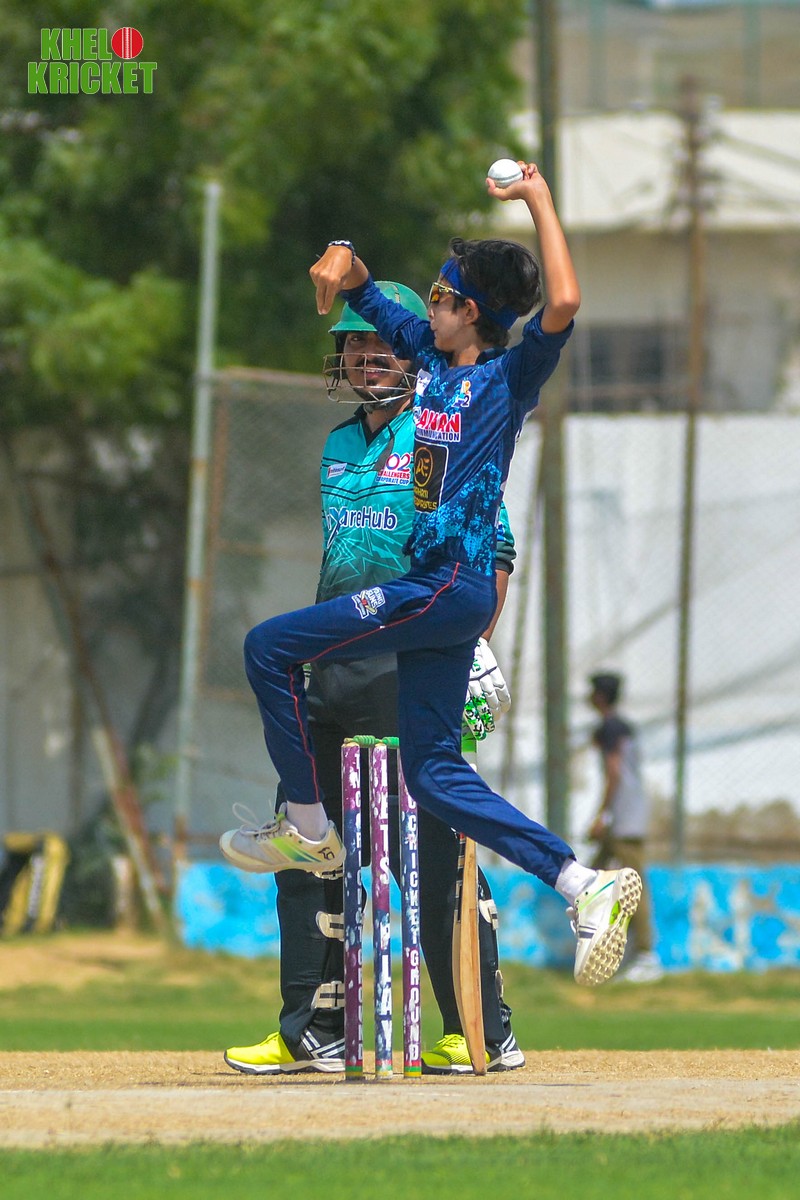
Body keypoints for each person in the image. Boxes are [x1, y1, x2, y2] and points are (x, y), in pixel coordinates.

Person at [221, 161, 642, 994]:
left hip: (449, 586)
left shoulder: (505, 378)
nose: (431, 306)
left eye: (443, 295)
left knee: (268, 648)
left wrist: (537, 197)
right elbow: (366, 289)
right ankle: (582, 883)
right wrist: (343, 253)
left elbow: (562, 301)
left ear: (469, 311)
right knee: (433, 774)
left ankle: (306, 826)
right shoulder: (431, 362)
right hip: (439, 593)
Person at [223, 283, 524, 1075]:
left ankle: (479, 1029)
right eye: (354, 345)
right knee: (307, 846)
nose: (366, 357)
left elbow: (491, 551)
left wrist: (473, 649)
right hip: (333, 667)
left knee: (432, 855)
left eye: (380, 343)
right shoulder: (336, 444)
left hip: (411, 664)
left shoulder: (443, 430)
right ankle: (311, 1031)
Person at [587, 671, 662, 983]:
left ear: (600, 696)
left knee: (633, 884)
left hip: (623, 820)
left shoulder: (610, 728)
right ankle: (602, 949)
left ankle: (646, 955)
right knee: (591, 878)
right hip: (625, 818)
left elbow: (614, 773)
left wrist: (601, 816)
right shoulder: (622, 727)